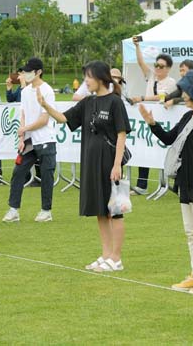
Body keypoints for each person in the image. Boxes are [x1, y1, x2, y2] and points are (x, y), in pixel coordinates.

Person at [38, 61, 131, 273]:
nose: (86, 81)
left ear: (100, 77)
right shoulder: (88, 102)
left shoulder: (115, 102)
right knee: (100, 210)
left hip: (110, 164)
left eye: (89, 77)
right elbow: (64, 118)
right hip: (91, 164)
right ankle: (106, 254)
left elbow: (121, 134)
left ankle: (116, 258)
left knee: (115, 211)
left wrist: (117, 164)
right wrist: (45, 106)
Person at [138, 70, 193, 294]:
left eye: (185, 91)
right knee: (191, 232)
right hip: (185, 181)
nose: (183, 95)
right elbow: (169, 138)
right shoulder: (187, 116)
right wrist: (152, 123)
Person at [2, 57, 58, 223]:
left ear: (38, 72)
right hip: (29, 141)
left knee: (46, 175)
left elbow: (44, 119)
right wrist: (22, 136)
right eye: (25, 71)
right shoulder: (25, 91)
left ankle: (46, 211)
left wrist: (25, 129)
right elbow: (23, 114)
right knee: (18, 172)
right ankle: (13, 210)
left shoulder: (47, 90)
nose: (25, 74)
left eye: (29, 71)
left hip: (46, 139)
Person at [129, 39, 177, 195]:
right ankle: (141, 185)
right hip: (148, 119)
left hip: (163, 120)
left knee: (163, 150)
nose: (157, 68)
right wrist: (137, 46)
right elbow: (141, 62)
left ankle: (166, 184)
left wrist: (142, 98)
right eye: (156, 65)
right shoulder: (151, 76)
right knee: (145, 148)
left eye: (161, 66)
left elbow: (162, 97)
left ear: (168, 68)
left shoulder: (171, 82)